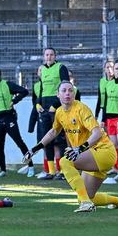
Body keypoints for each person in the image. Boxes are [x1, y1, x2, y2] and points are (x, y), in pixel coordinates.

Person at [24, 80, 118, 213]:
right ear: (57, 94)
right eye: (64, 91)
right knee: (86, 195)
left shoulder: (81, 108)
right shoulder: (59, 112)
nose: (67, 93)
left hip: (103, 152)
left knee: (65, 161)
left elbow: (97, 133)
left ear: (74, 94)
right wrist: (34, 149)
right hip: (90, 155)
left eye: (70, 90)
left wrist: (79, 149)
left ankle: (86, 204)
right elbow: (53, 132)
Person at [0, 65, 31, 177]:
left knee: (19, 142)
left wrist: (15, 100)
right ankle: (3, 170)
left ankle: (31, 166)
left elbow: (24, 91)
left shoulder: (7, 84)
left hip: (9, 118)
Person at [36, 48, 71, 180]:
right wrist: (38, 103)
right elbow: (41, 89)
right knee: (47, 140)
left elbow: (66, 87)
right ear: (44, 56)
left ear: (55, 56)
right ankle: (51, 171)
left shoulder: (61, 67)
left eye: (51, 54)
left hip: (57, 108)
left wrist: (55, 105)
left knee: (61, 139)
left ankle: (63, 171)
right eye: (47, 55)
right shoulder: (43, 69)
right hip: (44, 109)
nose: (49, 57)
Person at [94, 59, 114, 126]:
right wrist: (96, 114)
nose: (109, 69)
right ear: (104, 69)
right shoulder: (102, 81)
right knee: (106, 131)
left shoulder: (117, 82)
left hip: (114, 110)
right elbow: (100, 98)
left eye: (111, 67)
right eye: (107, 67)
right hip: (104, 111)